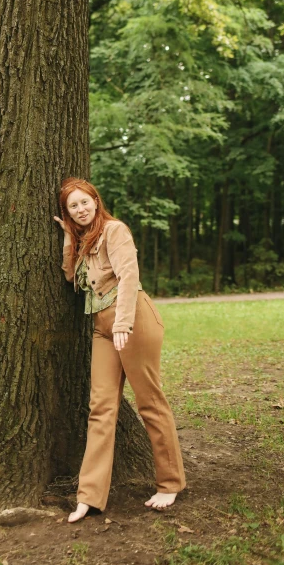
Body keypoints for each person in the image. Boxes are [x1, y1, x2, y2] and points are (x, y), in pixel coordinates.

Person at [54, 177, 186, 523]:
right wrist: (69, 240)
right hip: (101, 328)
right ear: (67, 213)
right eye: (73, 206)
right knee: (101, 407)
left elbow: (130, 276)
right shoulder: (82, 239)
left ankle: (170, 483)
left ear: (96, 201)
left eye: (85, 202)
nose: (81, 209)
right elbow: (70, 278)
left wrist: (124, 324)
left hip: (134, 322)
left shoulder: (115, 230)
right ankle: (90, 496)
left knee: (149, 401)